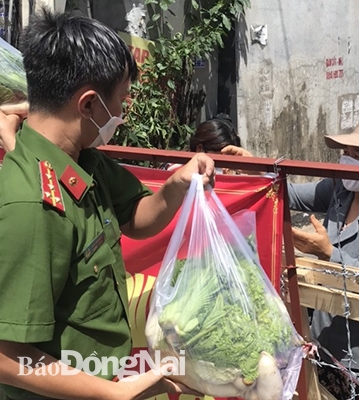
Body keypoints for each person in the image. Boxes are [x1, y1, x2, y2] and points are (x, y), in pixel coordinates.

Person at [0, 9, 214, 400]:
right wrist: (112, 393)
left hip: (102, 377)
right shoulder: (33, 204)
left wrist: (177, 185)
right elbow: (6, 357)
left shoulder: (84, 160)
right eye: (120, 101)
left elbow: (136, 218)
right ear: (88, 105)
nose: (121, 113)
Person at [224, 109, 359, 400]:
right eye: (348, 149)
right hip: (322, 337)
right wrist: (255, 167)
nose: (348, 157)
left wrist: (328, 253)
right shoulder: (340, 189)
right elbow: (289, 192)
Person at [163, 114, 242, 172]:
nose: (224, 168)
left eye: (229, 163)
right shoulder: (177, 172)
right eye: (219, 162)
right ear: (200, 149)